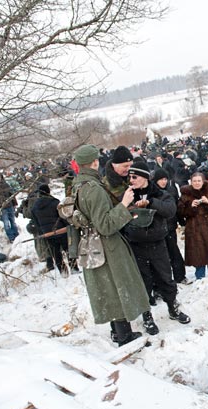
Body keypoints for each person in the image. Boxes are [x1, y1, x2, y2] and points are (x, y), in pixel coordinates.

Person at [71, 144, 152, 345]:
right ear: (95, 162)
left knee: (110, 289)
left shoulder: (79, 185)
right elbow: (105, 225)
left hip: (97, 246)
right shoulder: (93, 189)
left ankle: (119, 332)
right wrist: (124, 204)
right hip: (107, 247)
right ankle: (125, 337)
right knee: (117, 289)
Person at [123, 161, 190, 330]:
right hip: (136, 246)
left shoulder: (159, 194)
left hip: (158, 244)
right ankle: (147, 316)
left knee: (166, 278)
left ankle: (173, 308)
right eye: (129, 177)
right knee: (143, 282)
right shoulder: (127, 195)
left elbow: (170, 210)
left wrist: (151, 203)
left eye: (134, 176)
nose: (131, 180)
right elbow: (119, 215)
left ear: (145, 177)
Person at [178, 172, 208, 280]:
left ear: (203, 181)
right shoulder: (186, 194)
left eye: (199, 181)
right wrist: (191, 207)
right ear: (191, 182)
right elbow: (180, 212)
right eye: (194, 181)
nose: (196, 183)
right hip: (195, 228)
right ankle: (200, 277)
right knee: (198, 253)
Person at [151, 168, 189, 284]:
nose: (164, 182)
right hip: (157, 228)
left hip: (171, 226)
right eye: (161, 179)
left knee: (174, 251)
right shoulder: (152, 191)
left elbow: (176, 207)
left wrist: (182, 222)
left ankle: (180, 276)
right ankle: (164, 280)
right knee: (161, 255)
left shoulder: (171, 190)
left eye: (165, 179)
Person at [31, 184, 74, 274]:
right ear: (48, 191)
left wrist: (42, 232)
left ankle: (62, 271)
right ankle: (74, 267)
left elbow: (36, 223)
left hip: (47, 233)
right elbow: (62, 216)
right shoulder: (54, 202)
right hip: (61, 230)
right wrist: (68, 226)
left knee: (55, 252)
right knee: (67, 249)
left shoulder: (34, 207)